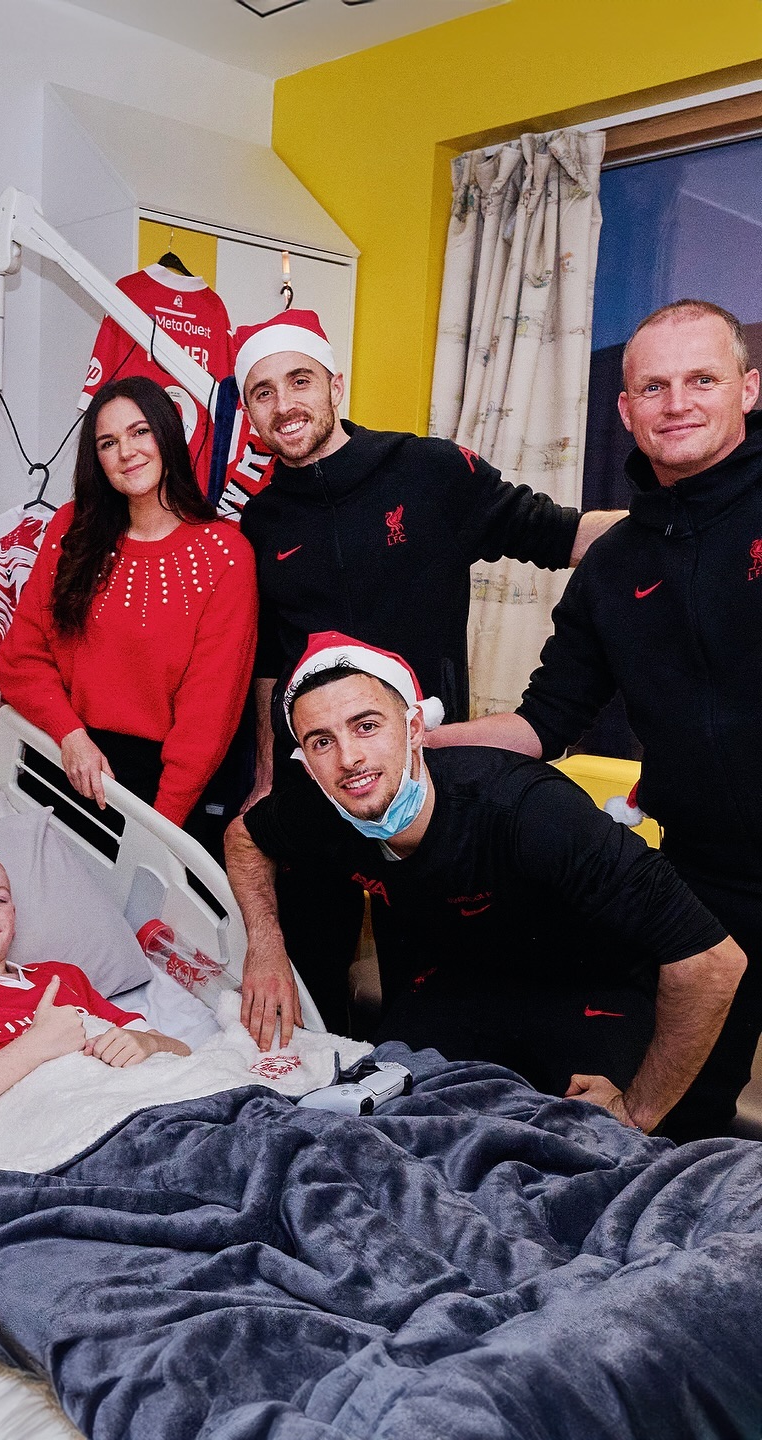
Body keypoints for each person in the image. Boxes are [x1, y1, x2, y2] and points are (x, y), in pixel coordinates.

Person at [231, 309, 626, 1035]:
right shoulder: (262, 522)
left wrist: (675, 529)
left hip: (428, 776)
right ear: (248, 410)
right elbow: (268, 663)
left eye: (299, 381)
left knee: (434, 995)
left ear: (334, 384)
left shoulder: (429, 470)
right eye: (262, 392)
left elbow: (562, 534)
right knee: (313, 983)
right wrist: (265, 774)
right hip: (320, 775)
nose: (284, 404)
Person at [430, 299, 762, 1140]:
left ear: (748, 390)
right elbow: (543, 725)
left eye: (701, 379)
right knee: (688, 1132)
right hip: (705, 885)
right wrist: (416, 743)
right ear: (625, 411)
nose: (676, 402)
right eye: (653, 386)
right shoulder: (614, 566)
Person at [223, 632, 745, 1136]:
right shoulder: (320, 810)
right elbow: (243, 837)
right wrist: (266, 948)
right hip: (459, 985)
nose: (349, 759)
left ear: (412, 729)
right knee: (366, 1133)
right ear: (306, 761)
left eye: (366, 726)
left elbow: (713, 962)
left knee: (590, 1153)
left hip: (587, 986)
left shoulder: (528, 811)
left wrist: (639, 1111)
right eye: (321, 741)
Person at [0, 375, 257, 829]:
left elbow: (208, 717)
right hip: (62, 756)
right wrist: (71, 736)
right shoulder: (72, 528)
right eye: (107, 442)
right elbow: (22, 658)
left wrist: (159, 828)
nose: (127, 452)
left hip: (164, 788)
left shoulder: (225, 554)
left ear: (168, 435)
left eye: (140, 432)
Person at [0, 851, 190, 1138]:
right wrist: (33, 1047)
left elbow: (184, 1053)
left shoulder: (61, 977)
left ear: (13, 917)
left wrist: (146, 1043)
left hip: (151, 1107)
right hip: (74, 1132)